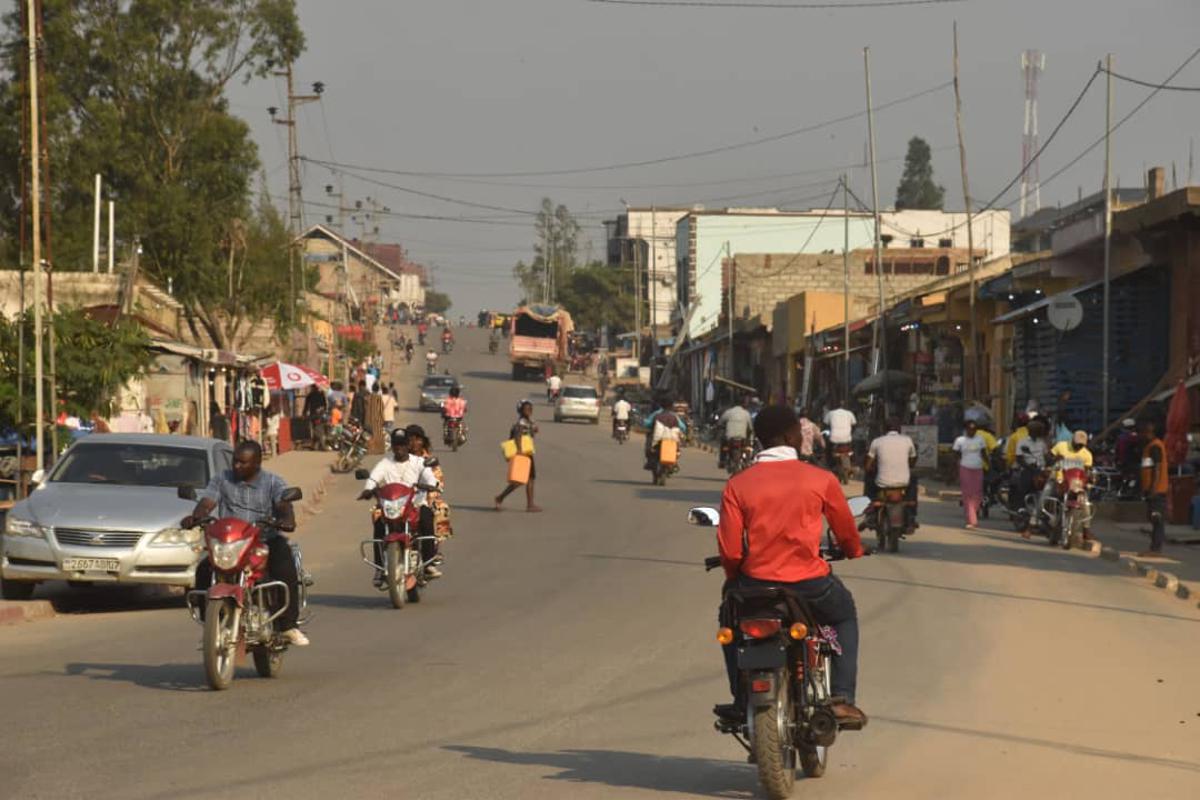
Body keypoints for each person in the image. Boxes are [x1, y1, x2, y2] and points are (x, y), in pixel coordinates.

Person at [714, 405, 867, 728]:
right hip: (810, 585)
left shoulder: (738, 484)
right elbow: (845, 531)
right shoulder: (820, 479)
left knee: (730, 617)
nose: (802, 437)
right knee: (843, 616)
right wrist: (853, 550)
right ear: (787, 437)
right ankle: (841, 698)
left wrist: (735, 575)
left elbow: (730, 549)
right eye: (798, 432)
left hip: (756, 585)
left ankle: (741, 698)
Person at [183, 441, 308, 646]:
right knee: (203, 571)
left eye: (243, 463)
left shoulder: (273, 482)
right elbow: (207, 503)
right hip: (232, 542)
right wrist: (196, 517)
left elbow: (283, 504)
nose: (237, 466)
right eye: (235, 461)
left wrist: (286, 519)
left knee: (285, 566)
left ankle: (288, 626)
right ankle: (210, 629)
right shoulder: (222, 479)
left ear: (257, 463)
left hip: (264, 539)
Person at [358, 428, 442, 587]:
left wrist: (430, 485)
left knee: (426, 518)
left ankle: (429, 563)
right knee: (379, 524)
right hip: (391, 506)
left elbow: (430, 478)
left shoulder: (418, 462)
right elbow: (374, 478)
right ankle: (380, 568)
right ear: (392, 446)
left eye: (402, 445)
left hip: (415, 505)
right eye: (396, 445)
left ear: (408, 445)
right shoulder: (385, 463)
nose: (399, 448)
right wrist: (368, 489)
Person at [865, 418, 918, 529]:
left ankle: (870, 510)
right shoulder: (907, 440)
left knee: (868, 478)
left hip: (882, 483)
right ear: (899, 429)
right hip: (903, 483)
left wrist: (871, 468)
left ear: (884, 429)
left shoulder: (877, 441)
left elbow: (868, 466)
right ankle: (912, 514)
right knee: (914, 479)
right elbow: (913, 461)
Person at [1046, 429, 1095, 542]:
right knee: (1045, 495)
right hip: (1059, 480)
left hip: (1076, 484)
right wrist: (1055, 459)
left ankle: (1086, 530)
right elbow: (1048, 458)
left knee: (1085, 505)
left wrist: (1089, 479)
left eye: (1081, 445)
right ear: (1072, 440)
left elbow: (1087, 471)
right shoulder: (1061, 446)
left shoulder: (1087, 454)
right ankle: (1033, 523)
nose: (1078, 447)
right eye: (1077, 444)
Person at [495, 400, 541, 512]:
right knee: (520, 480)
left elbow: (529, 434)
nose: (529, 410)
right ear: (521, 411)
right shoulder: (521, 422)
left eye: (530, 408)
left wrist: (534, 430)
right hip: (522, 453)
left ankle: (528, 504)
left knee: (528, 478)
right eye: (526, 409)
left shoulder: (529, 421)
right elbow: (517, 436)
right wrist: (520, 451)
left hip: (527, 452)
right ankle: (501, 498)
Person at [1139, 420, 1169, 557]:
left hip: (1157, 490)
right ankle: (1154, 547)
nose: (1142, 435)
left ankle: (1155, 549)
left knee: (1157, 518)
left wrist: (1153, 488)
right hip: (1152, 489)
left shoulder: (1155, 447)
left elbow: (1157, 469)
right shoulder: (1150, 447)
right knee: (1153, 518)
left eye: (1145, 432)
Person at [953, 420, 988, 530]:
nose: (972, 431)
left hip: (978, 468)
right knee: (967, 495)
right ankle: (972, 520)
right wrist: (953, 471)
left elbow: (984, 454)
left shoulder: (980, 439)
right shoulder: (960, 440)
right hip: (965, 468)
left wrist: (989, 466)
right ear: (966, 429)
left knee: (977, 494)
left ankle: (973, 512)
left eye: (974, 429)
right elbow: (955, 456)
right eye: (970, 429)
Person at [643, 394, 686, 469]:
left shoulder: (656, 414)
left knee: (649, 441)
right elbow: (683, 427)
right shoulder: (674, 415)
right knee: (677, 448)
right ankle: (674, 463)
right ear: (671, 405)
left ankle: (650, 461)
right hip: (672, 439)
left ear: (661, 404)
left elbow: (647, 423)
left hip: (657, 438)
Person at [717, 397, 754, 470]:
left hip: (730, 438)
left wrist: (720, 426)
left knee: (723, 445)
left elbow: (720, 422)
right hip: (742, 438)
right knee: (748, 447)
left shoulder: (728, 412)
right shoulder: (746, 413)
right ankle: (747, 461)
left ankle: (722, 461)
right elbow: (750, 427)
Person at [303, 385, 328, 450]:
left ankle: (322, 445)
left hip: (314, 415)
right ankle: (315, 445)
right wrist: (322, 409)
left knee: (317, 429)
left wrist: (304, 414)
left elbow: (306, 406)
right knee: (317, 428)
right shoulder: (321, 394)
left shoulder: (310, 395)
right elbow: (325, 405)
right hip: (319, 415)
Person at [366, 384, 385, 455]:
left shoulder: (368, 397)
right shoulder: (378, 397)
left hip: (368, 419)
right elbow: (381, 409)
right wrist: (382, 419)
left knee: (370, 435)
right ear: (378, 389)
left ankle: (370, 450)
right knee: (378, 435)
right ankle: (379, 450)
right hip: (377, 419)